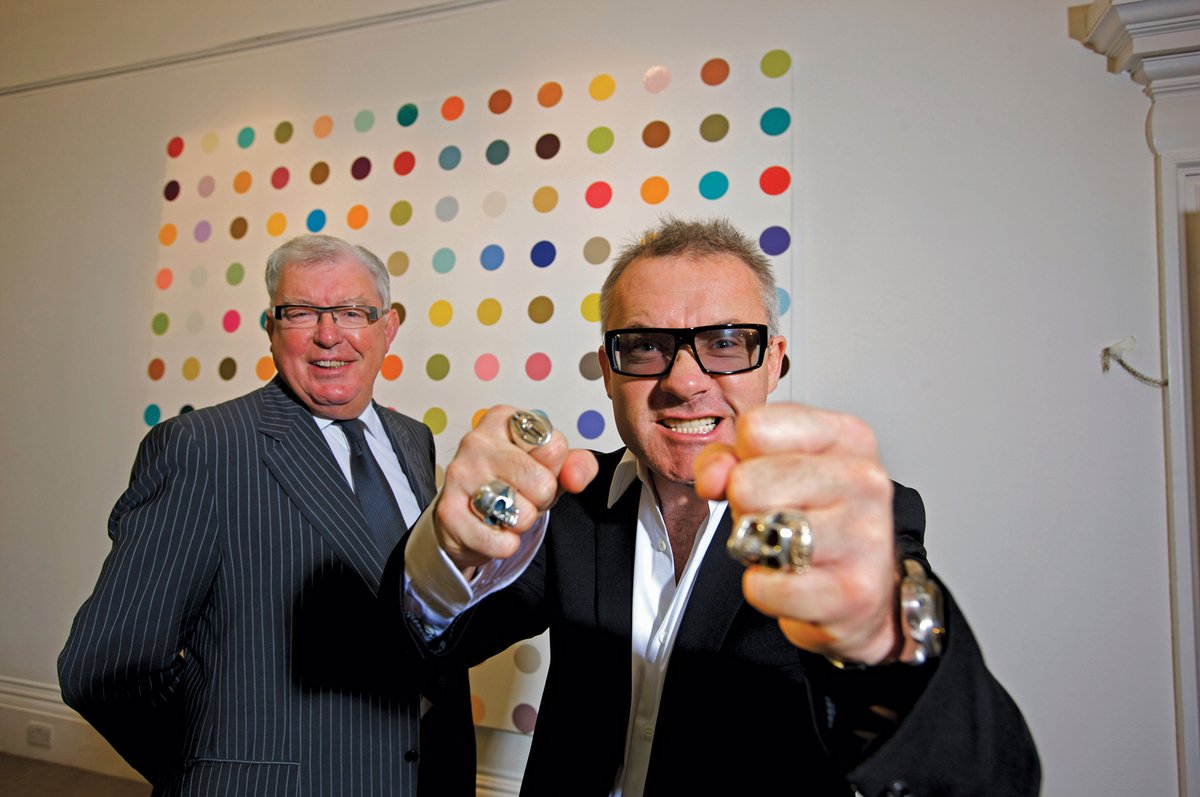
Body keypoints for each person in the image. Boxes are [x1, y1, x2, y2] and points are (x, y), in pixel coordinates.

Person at [401, 217, 1040, 796]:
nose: (683, 380)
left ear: (774, 363)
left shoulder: (844, 524)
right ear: (608, 368)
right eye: (646, 346)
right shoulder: (568, 501)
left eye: (728, 342)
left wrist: (883, 639)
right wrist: (447, 551)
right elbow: (418, 644)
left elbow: (985, 778)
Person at [59, 234, 473, 796]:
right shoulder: (203, 446)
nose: (329, 335)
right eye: (300, 313)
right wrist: (217, 767)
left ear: (388, 327)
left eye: (351, 312)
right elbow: (106, 667)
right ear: (272, 329)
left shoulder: (412, 440)